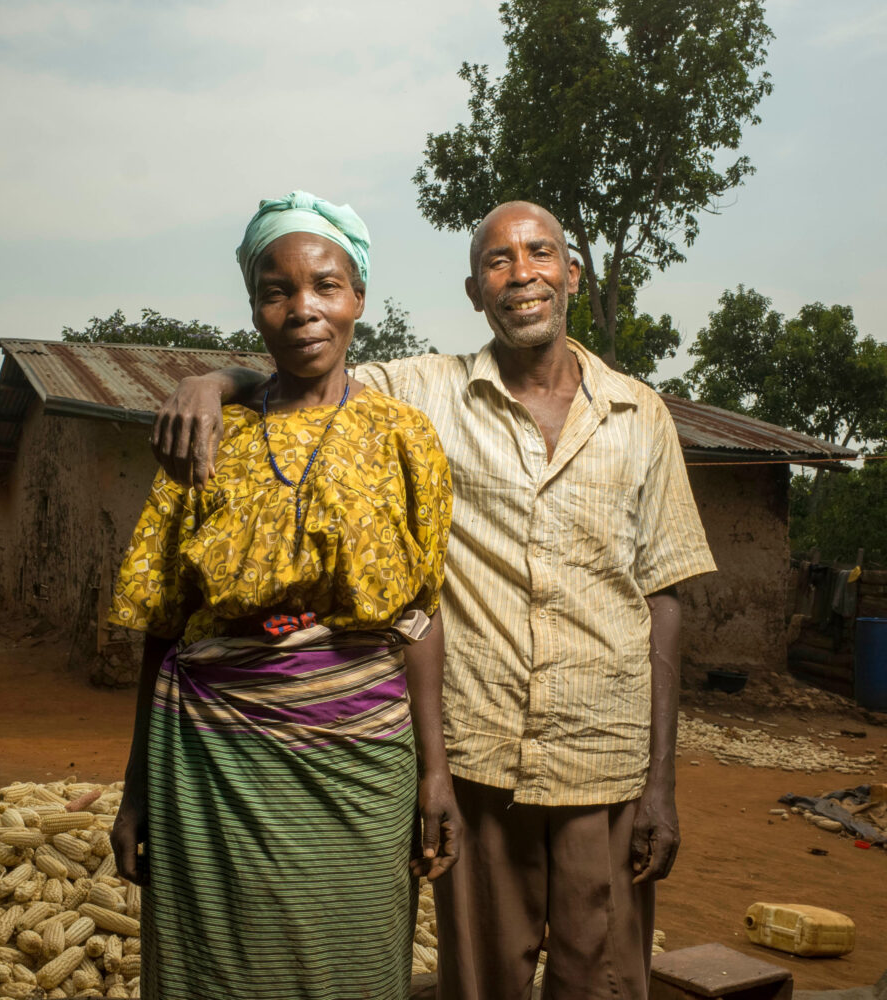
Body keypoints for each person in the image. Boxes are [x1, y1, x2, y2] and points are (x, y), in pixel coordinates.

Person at [151, 200, 717, 1000]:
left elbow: (664, 596)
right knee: (479, 984)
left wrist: (662, 783)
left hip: (607, 758)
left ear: (572, 275)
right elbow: (305, 363)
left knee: (608, 983)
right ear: (473, 290)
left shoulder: (640, 414)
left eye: (540, 253)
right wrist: (210, 382)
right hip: (478, 754)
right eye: (498, 261)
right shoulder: (422, 393)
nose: (522, 274)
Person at [109, 191, 461, 1000]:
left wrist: (436, 775)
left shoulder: (402, 439)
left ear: (359, 299)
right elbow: (163, 626)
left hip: (362, 761)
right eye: (277, 290)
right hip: (211, 760)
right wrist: (137, 790)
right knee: (216, 969)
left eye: (326, 286)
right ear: (255, 308)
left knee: (354, 961)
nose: (304, 308)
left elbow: (420, 613)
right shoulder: (206, 439)